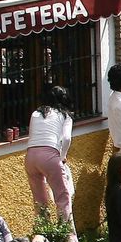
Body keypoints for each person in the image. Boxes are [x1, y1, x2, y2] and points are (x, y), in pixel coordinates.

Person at [24, 86, 75, 233]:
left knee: (40, 201)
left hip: (30, 156)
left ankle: (43, 235)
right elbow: (66, 138)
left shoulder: (36, 113)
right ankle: (69, 241)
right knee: (62, 198)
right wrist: (62, 156)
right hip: (50, 155)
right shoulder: (65, 115)